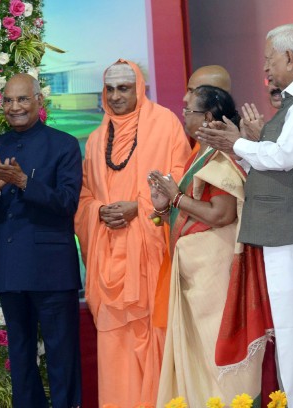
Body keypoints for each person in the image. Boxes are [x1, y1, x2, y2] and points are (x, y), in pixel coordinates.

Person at [197, 23, 293, 407]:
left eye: (268, 59)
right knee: (292, 329)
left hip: (292, 231)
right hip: (282, 230)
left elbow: (285, 158)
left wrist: (242, 142)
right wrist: (246, 144)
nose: (265, 68)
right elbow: (276, 158)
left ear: (289, 58)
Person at [74, 59, 191, 407]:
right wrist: (98, 211)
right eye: (109, 89)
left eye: (123, 88)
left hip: (150, 259)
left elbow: (181, 182)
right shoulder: (96, 140)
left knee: (154, 339)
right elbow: (84, 197)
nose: (115, 96)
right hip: (108, 259)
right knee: (115, 347)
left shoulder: (165, 124)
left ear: (139, 88)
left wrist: (138, 208)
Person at [149, 85, 272, 405]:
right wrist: (165, 207)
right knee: (199, 353)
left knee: (211, 350)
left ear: (206, 117)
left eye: (188, 111)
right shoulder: (200, 153)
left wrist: (176, 196)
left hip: (213, 271)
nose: (183, 116)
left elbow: (221, 214)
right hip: (197, 273)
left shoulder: (219, 155)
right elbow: (191, 215)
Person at [0, 73, 83, 408]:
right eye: (8, 100)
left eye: (22, 99)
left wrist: (24, 182)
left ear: (38, 102)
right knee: (20, 358)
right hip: (12, 271)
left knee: (62, 357)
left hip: (52, 271)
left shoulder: (64, 144)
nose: (15, 107)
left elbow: (67, 203)